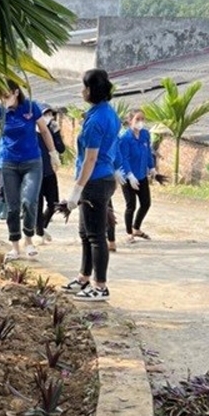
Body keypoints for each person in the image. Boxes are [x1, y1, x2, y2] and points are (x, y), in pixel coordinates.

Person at [61, 69, 120, 301]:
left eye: (84, 87)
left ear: (92, 90)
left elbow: (91, 158)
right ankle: (84, 278)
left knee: (96, 235)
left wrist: (76, 190)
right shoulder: (104, 112)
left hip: (95, 181)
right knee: (85, 233)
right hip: (99, 179)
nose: (82, 91)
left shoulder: (97, 120)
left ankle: (100, 285)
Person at [0, 80, 57, 261]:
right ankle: (15, 246)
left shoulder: (30, 107)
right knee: (13, 206)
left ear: (16, 93)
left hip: (32, 161)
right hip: (9, 163)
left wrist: (53, 153)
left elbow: (44, 131)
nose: (4, 100)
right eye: (1, 96)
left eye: (7, 96)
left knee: (29, 201)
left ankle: (28, 239)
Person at [116, 108, 157, 242]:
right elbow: (124, 159)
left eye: (142, 119)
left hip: (141, 175)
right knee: (131, 205)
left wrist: (151, 167)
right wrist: (129, 175)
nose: (140, 122)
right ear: (130, 121)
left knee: (146, 203)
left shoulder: (145, 134)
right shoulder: (125, 138)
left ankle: (136, 227)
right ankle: (129, 233)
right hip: (128, 177)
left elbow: (148, 152)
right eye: (137, 119)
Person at [35, 105, 65, 244]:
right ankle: (39, 231)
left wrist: (56, 133)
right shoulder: (32, 133)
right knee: (38, 204)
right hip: (35, 172)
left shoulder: (52, 131)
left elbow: (61, 149)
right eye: (45, 114)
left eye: (51, 114)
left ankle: (41, 227)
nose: (49, 117)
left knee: (54, 203)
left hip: (49, 172)